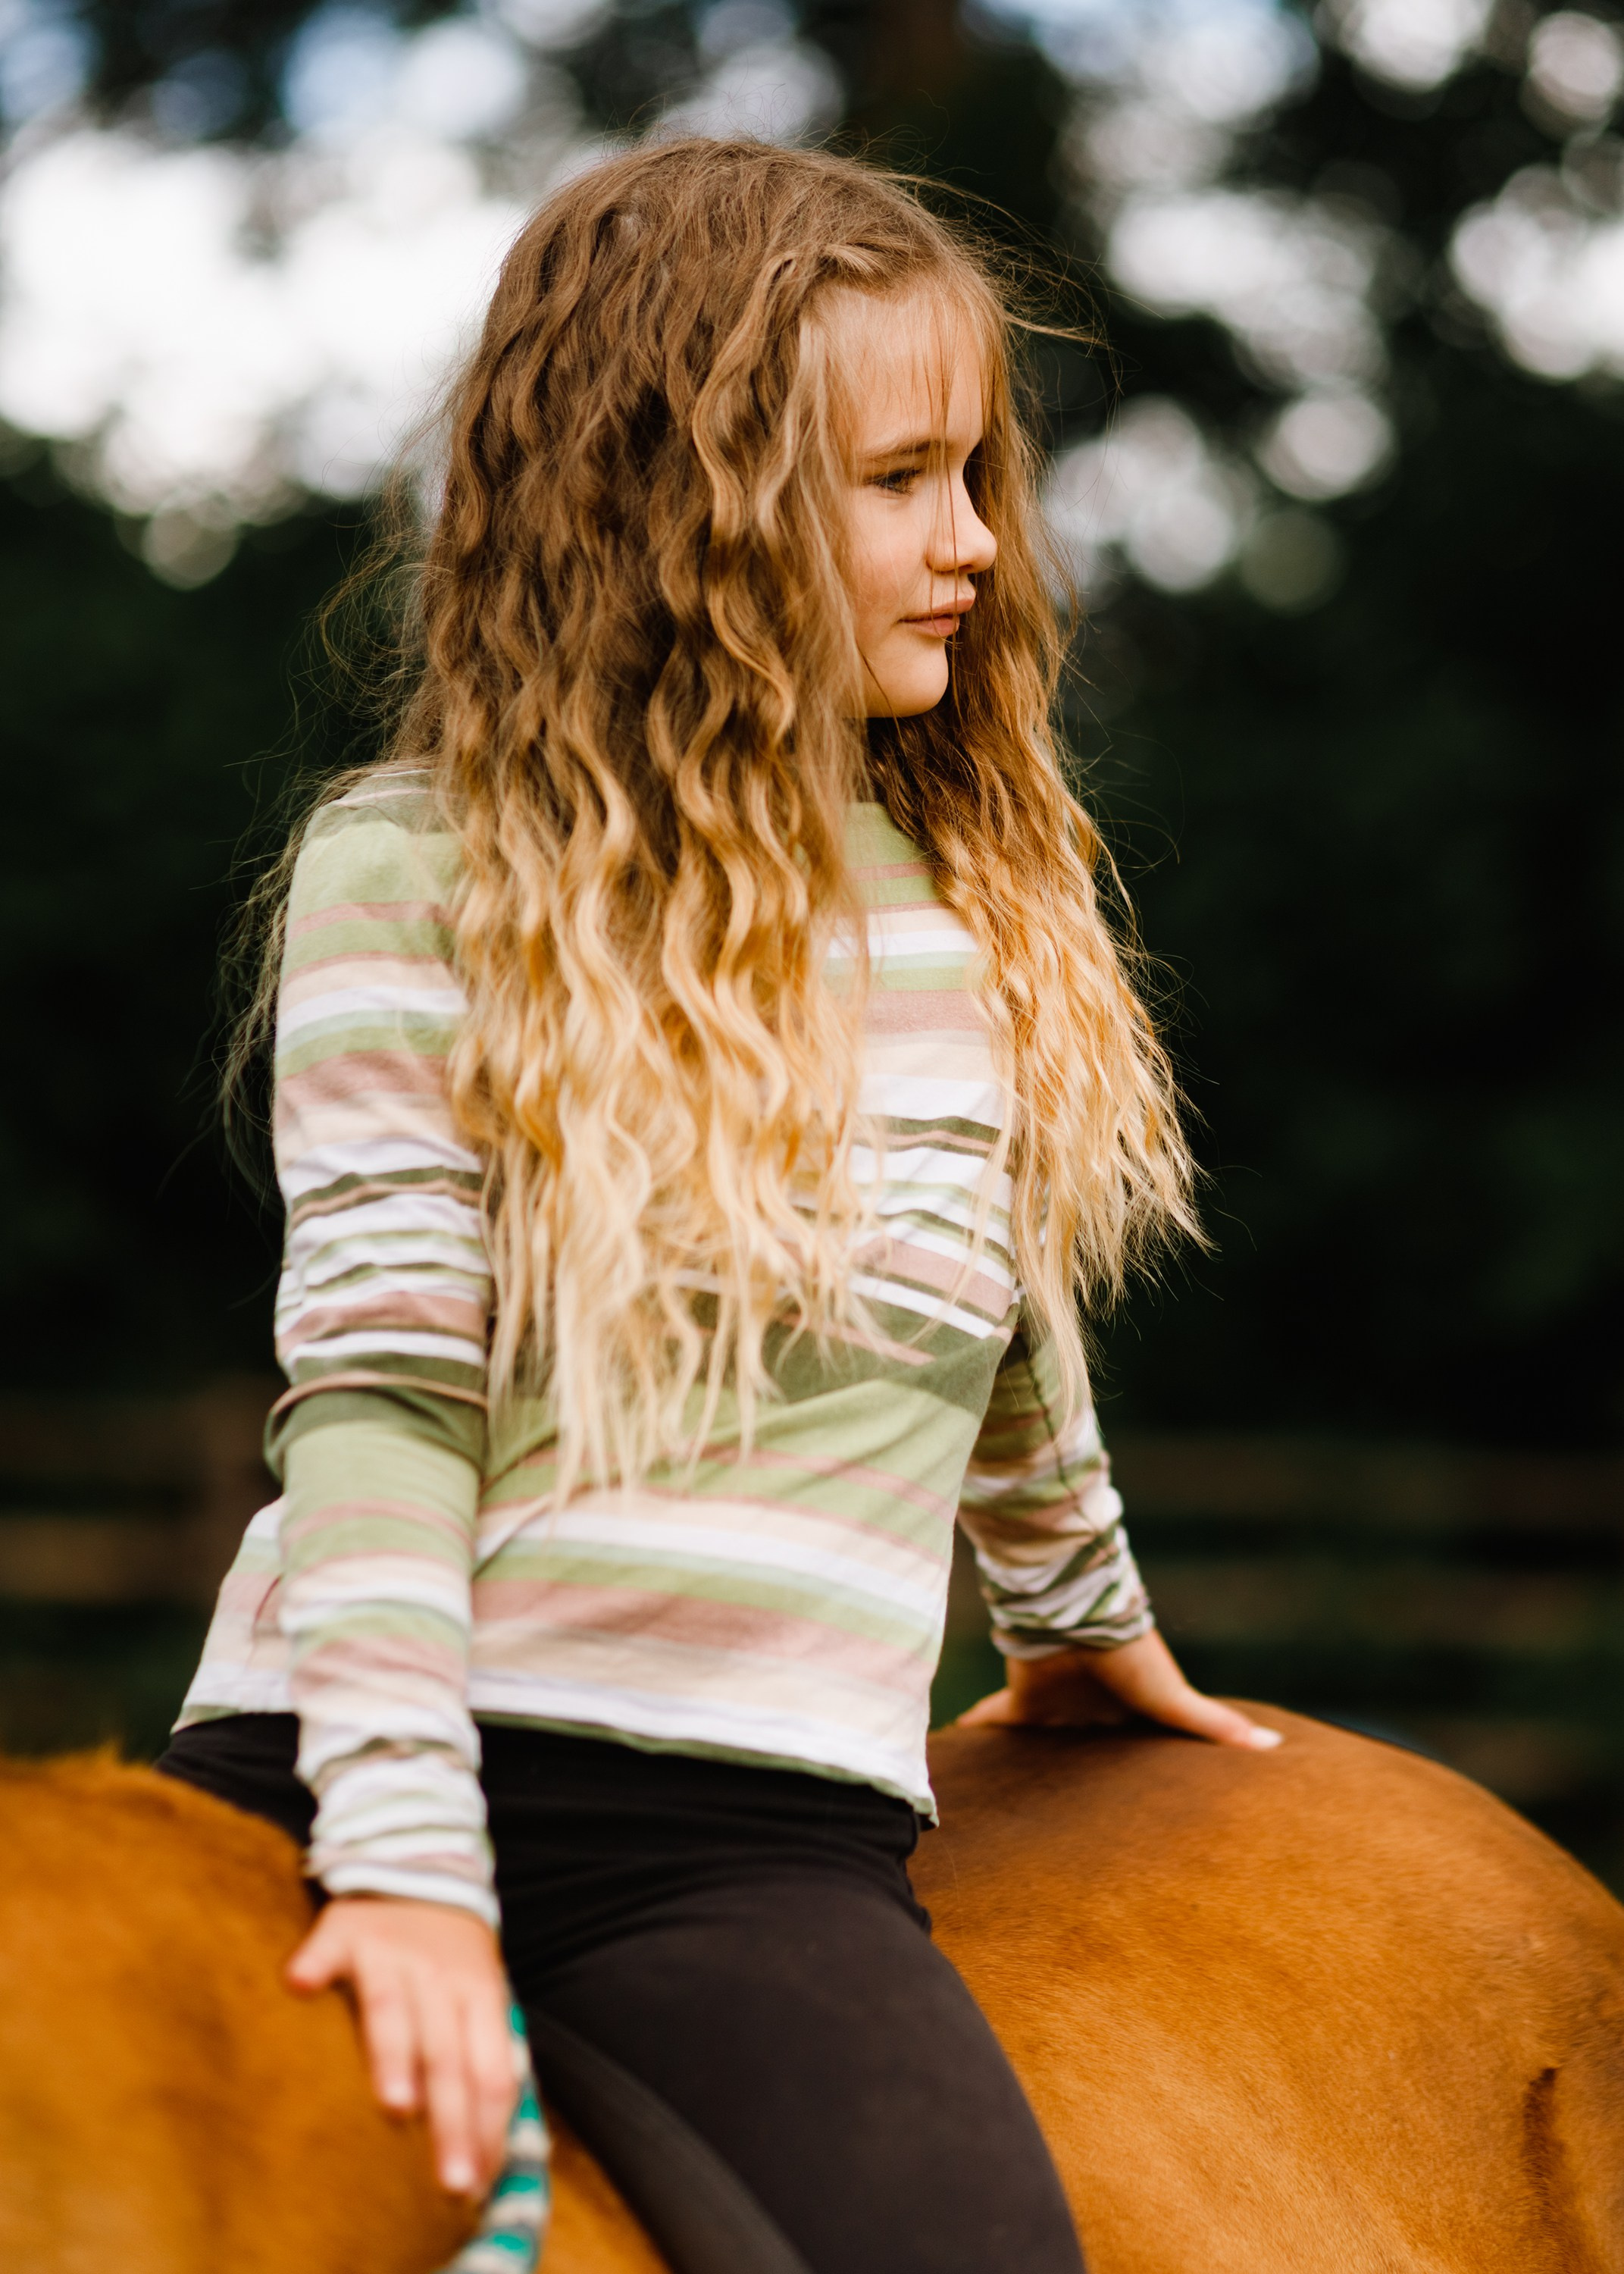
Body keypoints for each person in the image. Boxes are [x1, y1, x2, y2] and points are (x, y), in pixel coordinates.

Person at [158, 136, 1281, 2274]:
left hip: (734, 1835)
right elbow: (387, 1393)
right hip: (346, 1756)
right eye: (899, 481)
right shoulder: (415, 867)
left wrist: (1081, 1621)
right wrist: (401, 1863)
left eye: (976, 477)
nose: (970, 547)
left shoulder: (964, 917)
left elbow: (989, 1299)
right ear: (690, 508)